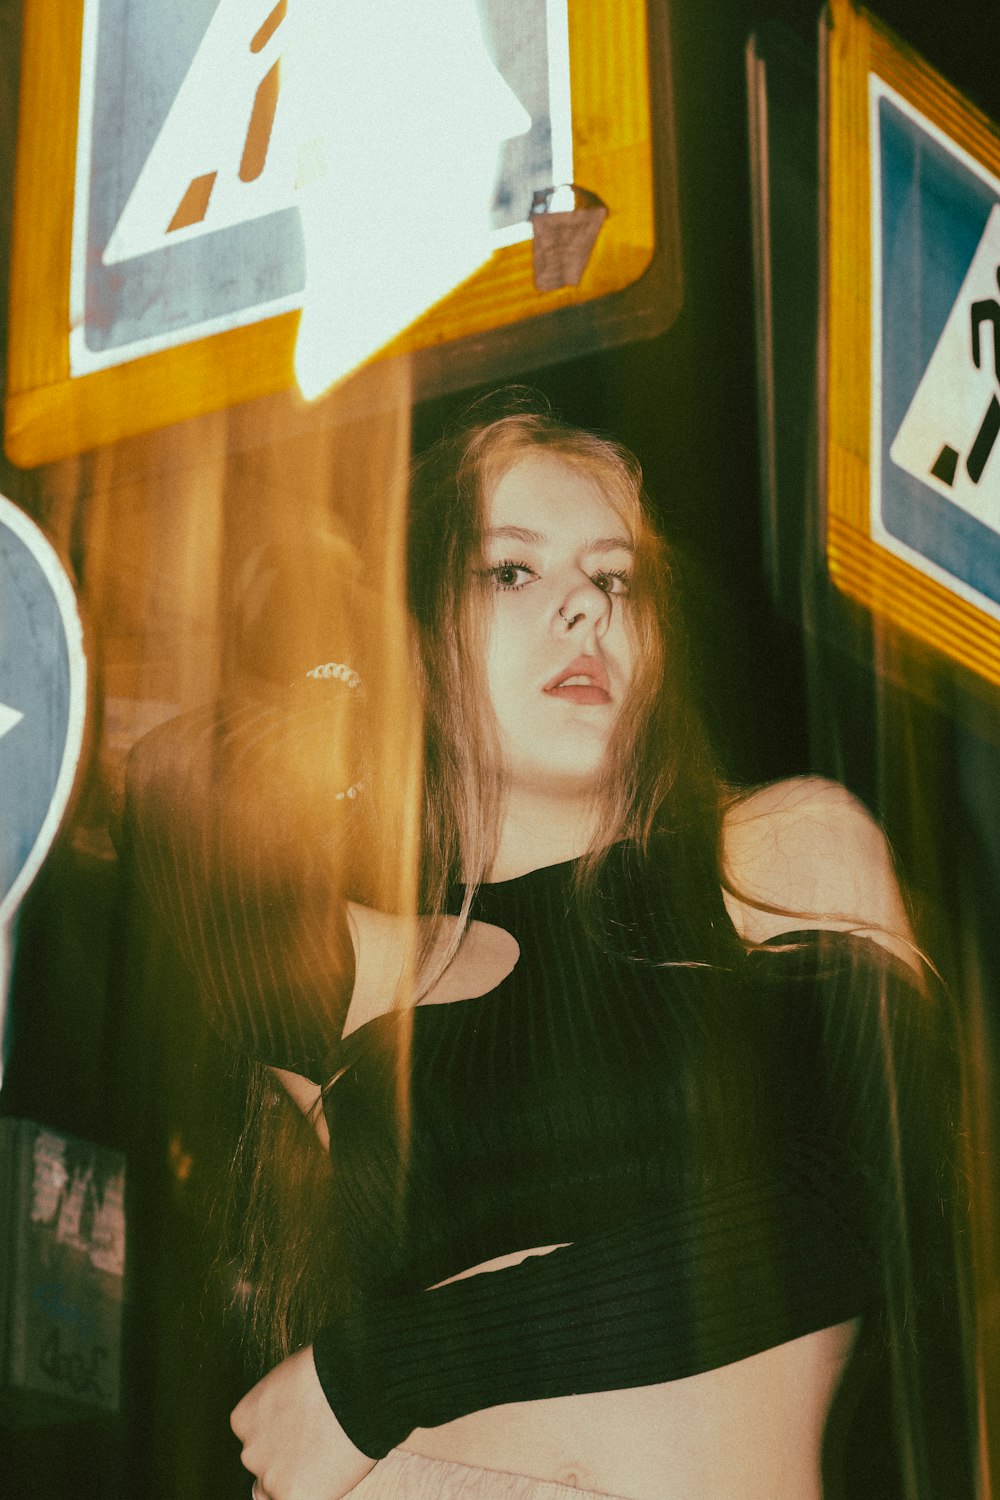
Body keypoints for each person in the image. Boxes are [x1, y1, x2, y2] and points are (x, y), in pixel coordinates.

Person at [127, 400, 970, 1500]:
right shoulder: (377, 968)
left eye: (616, 578)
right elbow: (172, 788)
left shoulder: (777, 851)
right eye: (509, 572)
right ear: (417, 630)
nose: (585, 605)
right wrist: (343, 639)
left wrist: (388, 1370)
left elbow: (868, 1196)